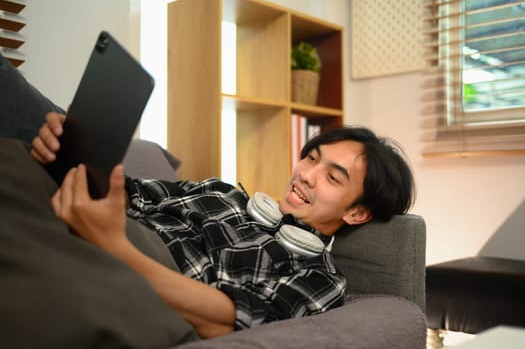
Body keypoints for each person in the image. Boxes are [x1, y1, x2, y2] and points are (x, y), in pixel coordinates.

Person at [31, 111, 415, 340]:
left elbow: (227, 319)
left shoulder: (318, 279)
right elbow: (129, 190)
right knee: (18, 152)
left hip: (132, 262)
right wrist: (69, 148)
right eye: (310, 158)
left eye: (333, 178)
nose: (306, 176)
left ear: (357, 213)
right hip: (93, 224)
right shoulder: (223, 193)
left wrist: (117, 247)